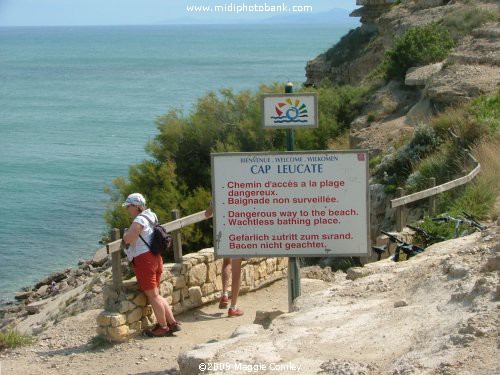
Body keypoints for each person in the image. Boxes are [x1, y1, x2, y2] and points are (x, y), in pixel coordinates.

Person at [122, 193, 181, 337]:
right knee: (157, 295)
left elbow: (128, 239)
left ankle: (163, 327)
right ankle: (172, 323)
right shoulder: (151, 215)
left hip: (144, 260)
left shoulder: (139, 220)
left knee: (153, 296)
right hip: (156, 257)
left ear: (136, 206)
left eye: (129, 206)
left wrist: (124, 235)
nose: (127, 209)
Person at [205, 204, 244, 317]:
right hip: (239, 229)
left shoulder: (220, 191)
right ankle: (233, 308)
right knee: (237, 270)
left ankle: (225, 294)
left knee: (227, 262)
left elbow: (207, 214)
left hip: (224, 230)